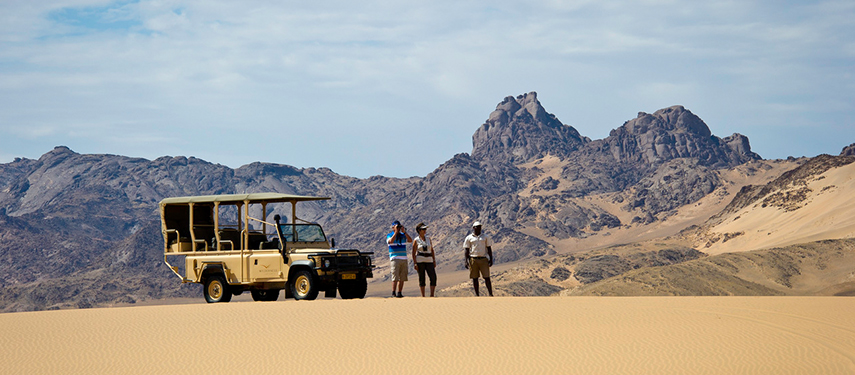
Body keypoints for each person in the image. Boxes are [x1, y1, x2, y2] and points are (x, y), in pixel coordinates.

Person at [463, 221, 493, 296]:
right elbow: (466, 250)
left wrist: (491, 259)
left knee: (487, 277)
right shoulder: (469, 238)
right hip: (473, 259)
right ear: (473, 228)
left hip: (483, 259)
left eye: (479, 226)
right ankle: (477, 295)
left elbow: (489, 248)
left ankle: (490, 294)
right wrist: (466, 261)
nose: (478, 228)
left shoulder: (485, 237)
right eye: (477, 227)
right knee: (475, 278)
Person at [387, 220, 412, 298]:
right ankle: (393, 292)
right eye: (396, 227)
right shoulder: (389, 235)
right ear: (393, 227)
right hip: (395, 258)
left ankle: (399, 292)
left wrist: (404, 232)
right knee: (395, 276)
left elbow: (410, 240)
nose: (398, 228)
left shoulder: (403, 235)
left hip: (403, 258)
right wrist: (395, 232)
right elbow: (390, 241)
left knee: (402, 276)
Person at [411, 222, 437, 297]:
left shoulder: (428, 239)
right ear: (419, 230)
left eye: (425, 229)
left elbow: (431, 249)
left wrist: (434, 260)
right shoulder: (416, 240)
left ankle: (432, 294)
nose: (425, 230)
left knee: (433, 277)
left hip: (429, 259)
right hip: (420, 260)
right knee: (422, 277)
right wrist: (415, 263)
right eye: (423, 229)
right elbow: (413, 252)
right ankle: (423, 295)